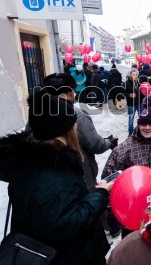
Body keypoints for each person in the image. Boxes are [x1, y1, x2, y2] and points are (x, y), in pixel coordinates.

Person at [0, 91, 113, 264]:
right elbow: (64, 224)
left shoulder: (32, 162)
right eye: (73, 124)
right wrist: (100, 196)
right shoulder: (52, 173)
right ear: (64, 132)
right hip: (64, 256)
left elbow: (57, 210)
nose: (76, 127)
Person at [102, 94, 151, 238]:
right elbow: (109, 183)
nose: (147, 128)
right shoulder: (124, 150)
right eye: (143, 123)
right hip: (133, 220)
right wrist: (113, 214)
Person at [41, 73, 118, 192]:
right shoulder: (76, 115)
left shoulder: (36, 116)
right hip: (79, 177)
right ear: (70, 93)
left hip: (46, 180)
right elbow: (94, 144)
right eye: (74, 90)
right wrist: (108, 142)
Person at [124, 68, 141, 135]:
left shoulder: (138, 82)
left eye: (136, 74)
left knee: (141, 118)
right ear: (130, 75)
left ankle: (140, 131)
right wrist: (129, 95)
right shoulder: (126, 83)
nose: (135, 76)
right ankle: (130, 132)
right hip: (131, 104)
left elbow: (141, 92)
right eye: (133, 75)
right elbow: (122, 93)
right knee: (131, 119)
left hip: (139, 103)